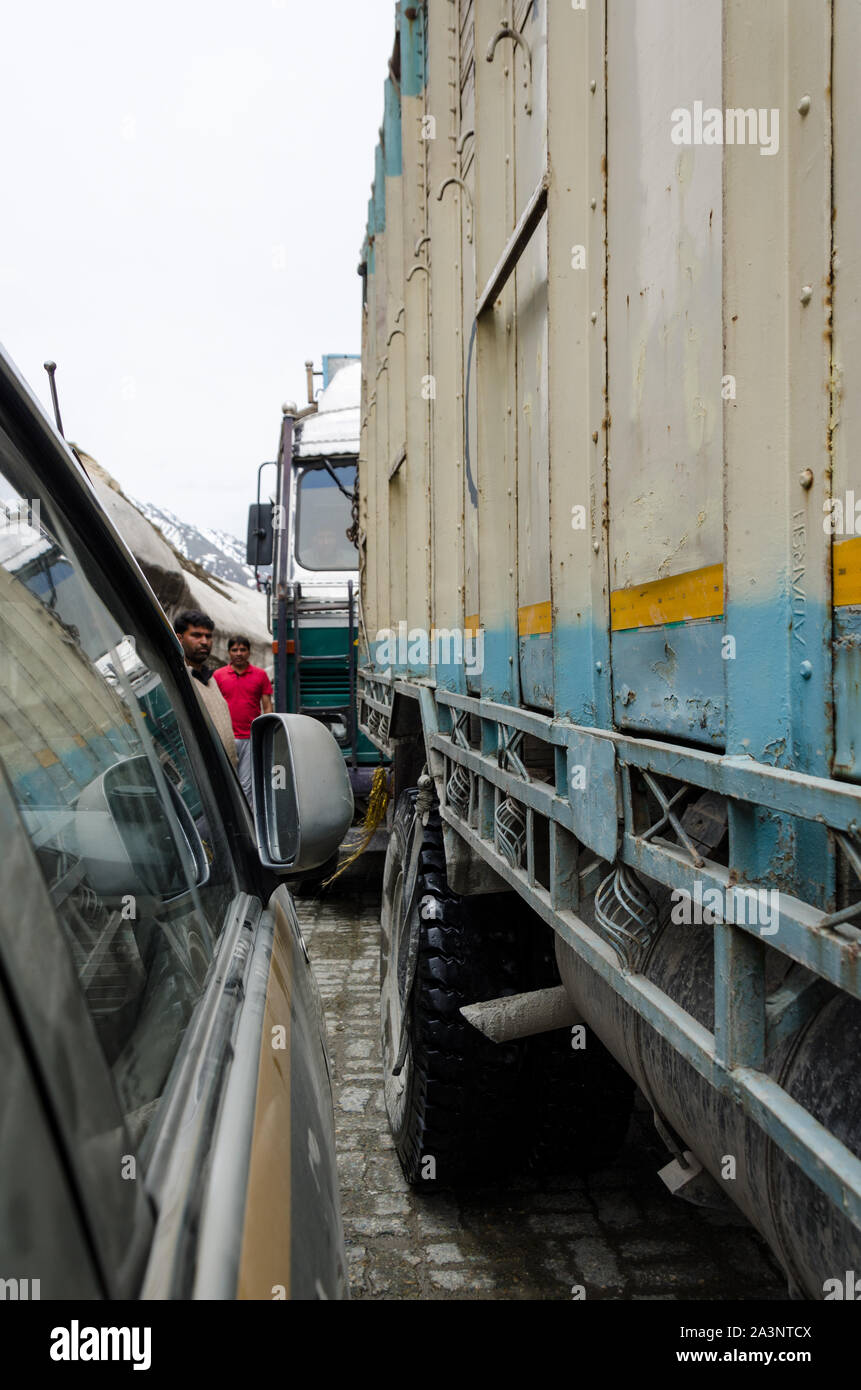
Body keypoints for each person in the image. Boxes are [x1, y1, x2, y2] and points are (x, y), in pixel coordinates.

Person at [172, 609, 238, 771]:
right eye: (196, 635)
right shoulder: (179, 680)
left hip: (227, 774)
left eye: (208, 636)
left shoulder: (210, 679)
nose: (204, 641)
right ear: (179, 639)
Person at [213, 635, 273, 802]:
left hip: (250, 737)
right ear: (228, 653)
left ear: (249, 652)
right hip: (225, 737)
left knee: (246, 783)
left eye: (242, 650)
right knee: (226, 780)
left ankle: (247, 822)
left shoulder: (260, 675)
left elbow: (267, 706)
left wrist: (265, 732)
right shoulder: (218, 675)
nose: (238, 653)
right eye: (234, 650)